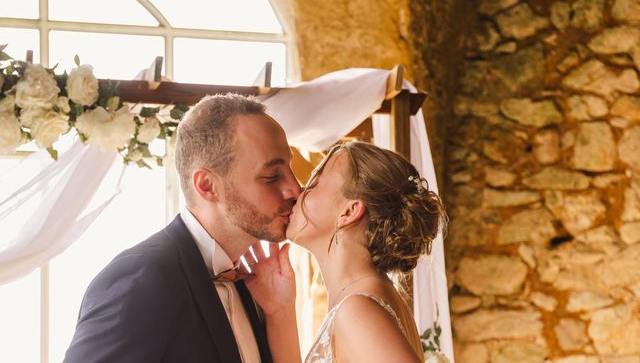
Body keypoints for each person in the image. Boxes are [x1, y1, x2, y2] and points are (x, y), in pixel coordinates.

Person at [64, 94, 302, 362]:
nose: (295, 188)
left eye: (290, 169)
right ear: (207, 186)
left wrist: (280, 312)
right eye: (271, 177)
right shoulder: (141, 279)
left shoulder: (252, 282)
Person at [243, 141, 446, 363]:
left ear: (349, 212)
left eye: (315, 184)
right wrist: (280, 311)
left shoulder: (357, 311)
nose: (298, 193)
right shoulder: (363, 299)